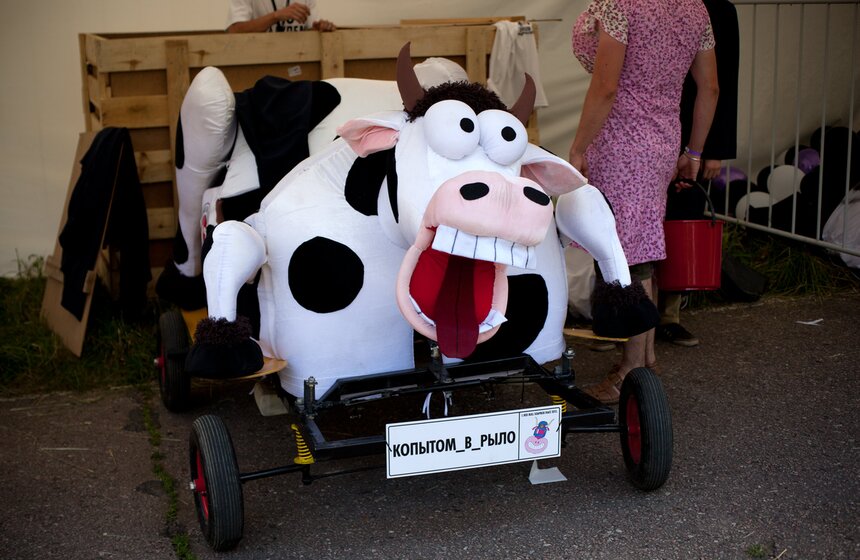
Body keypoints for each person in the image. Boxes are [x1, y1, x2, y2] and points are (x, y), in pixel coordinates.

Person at [568, 0, 719, 404]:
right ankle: (645, 358)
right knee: (642, 246)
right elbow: (710, 87)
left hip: (621, 139)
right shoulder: (695, 9)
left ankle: (629, 372)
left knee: (628, 255)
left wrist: (579, 147)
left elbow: (606, 87)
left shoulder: (621, 5)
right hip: (663, 138)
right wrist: (695, 151)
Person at [657, 0, 740, 348]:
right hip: (644, 126)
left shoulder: (718, 8)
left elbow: (724, 80)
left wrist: (714, 148)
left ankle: (669, 315)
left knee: (683, 215)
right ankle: (624, 317)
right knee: (628, 221)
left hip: (695, 133)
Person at [226, 0, 336, 33]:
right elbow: (234, 30)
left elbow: (312, 29)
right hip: (259, 65)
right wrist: (276, 16)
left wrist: (322, 28)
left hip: (297, 65)